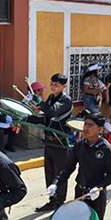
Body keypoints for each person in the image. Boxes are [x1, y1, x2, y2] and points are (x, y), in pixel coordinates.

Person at [35, 73, 73, 212]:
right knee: (49, 173)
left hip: (60, 142)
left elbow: (52, 112)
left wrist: (40, 103)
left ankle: (59, 201)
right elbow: (46, 118)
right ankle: (52, 200)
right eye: (51, 84)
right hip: (49, 141)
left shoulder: (66, 99)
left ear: (64, 86)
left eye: (56, 85)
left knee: (60, 173)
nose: (53, 87)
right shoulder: (51, 97)